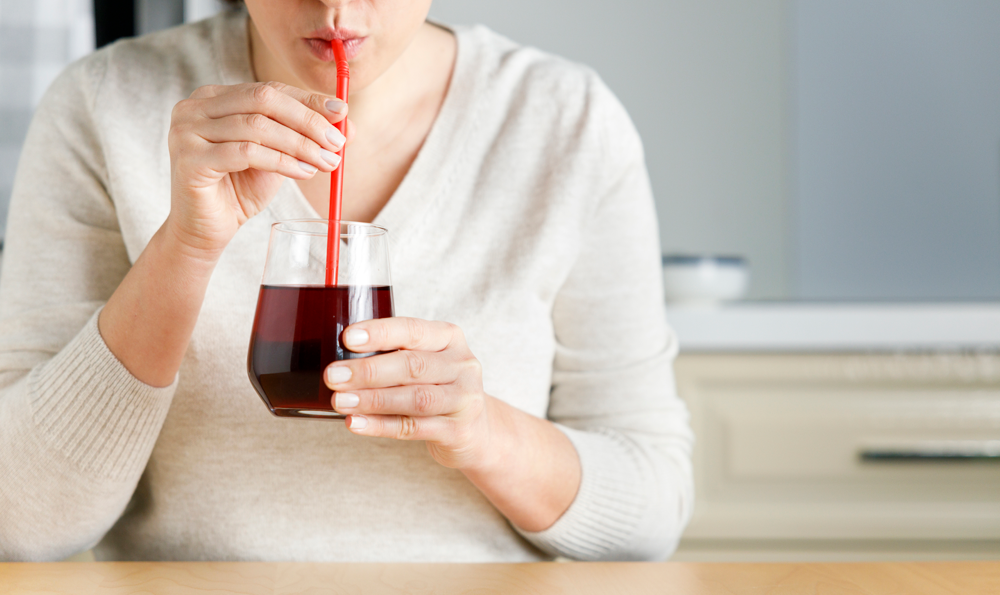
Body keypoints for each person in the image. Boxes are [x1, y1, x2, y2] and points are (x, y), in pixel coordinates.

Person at [0, 0, 693, 562]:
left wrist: (483, 432)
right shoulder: (102, 106)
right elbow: (22, 519)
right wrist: (186, 243)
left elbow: (651, 508)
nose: (335, 6)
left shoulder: (566, 121)